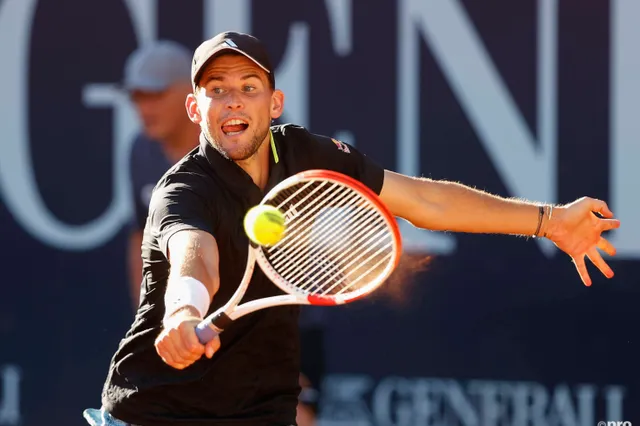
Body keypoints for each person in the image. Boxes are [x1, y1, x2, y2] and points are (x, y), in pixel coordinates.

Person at [84, 31, 620, 426]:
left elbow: (423, 198)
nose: (233, 100)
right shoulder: (184, 188)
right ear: (195, 109)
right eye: (216, 89)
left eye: (248, 86)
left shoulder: (304, 153)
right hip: (154, 414)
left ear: (274, 104)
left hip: (260, 413)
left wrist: (549, 221)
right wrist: (182, 313)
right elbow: (193, 256)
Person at [123, 40, 200, 308]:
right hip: (189, 327)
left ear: (191, 92)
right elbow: (142, 236)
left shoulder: (241, 140)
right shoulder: (140, 150)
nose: (145, 109)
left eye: (156, 94)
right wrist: (146, 315)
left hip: (279, 328)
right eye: (137, 97)